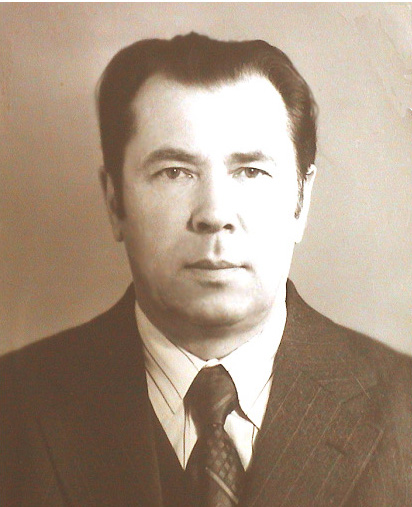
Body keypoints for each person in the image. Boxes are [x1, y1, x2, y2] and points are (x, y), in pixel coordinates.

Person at [1, 33, 411, 507]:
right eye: (174, 172)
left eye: (251, 171)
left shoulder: (402, 404)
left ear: (302, 201)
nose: (214, 214)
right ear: (115, 201)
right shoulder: (15, 404)